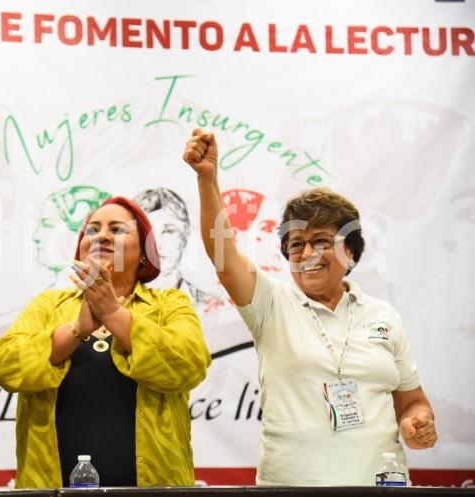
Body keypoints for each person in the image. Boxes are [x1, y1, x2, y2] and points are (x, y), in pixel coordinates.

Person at [183, 128, 438, 485]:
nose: (305, 254)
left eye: (320, 241)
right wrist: (207, 179)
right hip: (290, 487)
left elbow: (412, 402)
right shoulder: (270, 303)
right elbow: (221, 253)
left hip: (382, 485)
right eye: (295, 244)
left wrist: (417, 422)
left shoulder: (384, 316)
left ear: (350, 252)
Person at [0, 196, 211, 488]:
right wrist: (76, 330)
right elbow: (6, 365)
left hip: (153, 490)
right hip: (51, 490)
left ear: (145, 253)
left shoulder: (170, 304)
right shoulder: (48, 306)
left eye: (117, 229)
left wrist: (112, 313)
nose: (102, 235)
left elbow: (189, 364)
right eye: (92, 230)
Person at [132, 187, 225, 313]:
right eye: (147, 232)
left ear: (185, 236)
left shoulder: (210, 306)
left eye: (168, 231)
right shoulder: (110, 308)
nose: (156, 243)